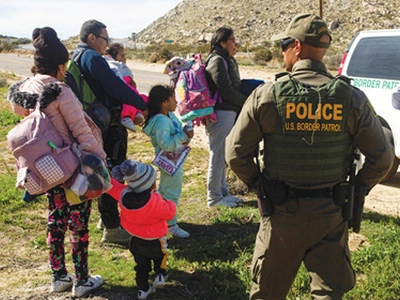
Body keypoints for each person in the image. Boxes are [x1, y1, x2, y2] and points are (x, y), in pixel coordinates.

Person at [225, 13, 395, 299]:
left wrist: (260, 186)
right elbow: (383, 159)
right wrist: (355, 188)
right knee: (329, 293)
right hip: (331, 213)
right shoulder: (351, 98)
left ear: (297, 47)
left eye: (283, 46)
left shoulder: (267, 96)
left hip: (281, 215)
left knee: (267, 293)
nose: (282, 53)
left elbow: (235, 154)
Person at [8, 27, 106, 297]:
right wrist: (100, 160)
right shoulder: (60, 91)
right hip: (72, 169)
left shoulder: (24, 89)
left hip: (45, 168)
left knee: (55, 221)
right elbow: (82, 132)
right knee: (78, 224)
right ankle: (83, 280)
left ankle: (59, 276)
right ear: (61, 65)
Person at [72, 20, 148, 245]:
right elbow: (115, 87)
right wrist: (141, 103)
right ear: (92, 38)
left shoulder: (78, 56)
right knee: (112, 173)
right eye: (105, 39)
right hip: (108, 126)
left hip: (95, 124)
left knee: (103, 170)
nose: (107, 43)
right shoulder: (92, 57)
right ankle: (112, 228)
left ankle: (107, 220)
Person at [107, 160, 176, 300]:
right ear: (150, 184)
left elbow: (111, 186)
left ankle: (143, 290)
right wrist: (170, 202)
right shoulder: (155, 199)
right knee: (161, 256)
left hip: (135, 239)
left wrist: (105, 175)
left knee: (141, 266)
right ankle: (160, 275)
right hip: (156, 239)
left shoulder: (123, 194)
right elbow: (169, 213)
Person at [142, 85, 193, 238]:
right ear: (164, 102)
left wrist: (184, 136)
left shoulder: (168, 117)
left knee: (166, 191)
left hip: (173, 161)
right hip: (170, 162)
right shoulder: (161, 122)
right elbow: (166, 144)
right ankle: (170, 225)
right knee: (171, 193)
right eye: (173, 99)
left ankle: (160, 220)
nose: (176, 102)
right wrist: (183, 136)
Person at [204, 26, 247, 208]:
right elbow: (227, 91)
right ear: (222, 43)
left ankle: (222, 193)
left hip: (227, 114)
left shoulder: (226, 60)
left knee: (223, 157)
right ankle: (214, 198)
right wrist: (247, 102)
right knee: (218, 155)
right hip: (221, 115)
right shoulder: (217, 61)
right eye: (232, 40)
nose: (235, 44)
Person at [104, 43, 146, 132]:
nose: (124, 59)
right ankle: (127, 116)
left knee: (142, 98)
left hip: (130, 87)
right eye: (121, 56)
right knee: (129, 100)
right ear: (112, 56)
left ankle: (137, 113)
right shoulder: (111, 65)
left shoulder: (121, 66)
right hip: (122, 95)